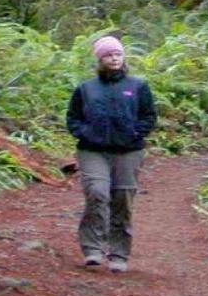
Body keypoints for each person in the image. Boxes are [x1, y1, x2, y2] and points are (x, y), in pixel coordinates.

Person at [63, 34, 156, 272]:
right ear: (100, 59)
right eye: (108, 55)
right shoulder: (86, 89)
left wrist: (135, 133)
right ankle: (93, 249)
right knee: (97, 193)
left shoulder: (137, 86)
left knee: (122, 200)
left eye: (117, 54)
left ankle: (119, 254)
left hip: (128, 152)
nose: (114, 59)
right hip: (93, 151)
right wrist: (85, 133)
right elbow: (73, 117)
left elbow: (148, 117)